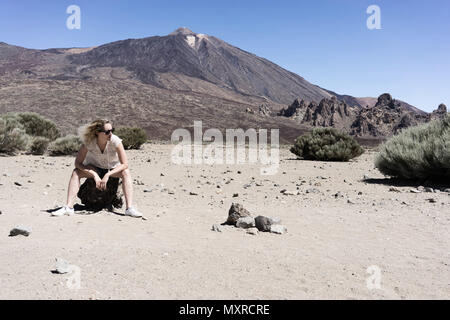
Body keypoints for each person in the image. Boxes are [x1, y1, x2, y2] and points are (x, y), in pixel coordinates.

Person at [52, 119, 142, 217]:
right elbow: (77, 163)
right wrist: (94, 174)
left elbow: (125, 164)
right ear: (97, 132)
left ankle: (129, 208)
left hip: (111, 170)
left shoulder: (115, 141)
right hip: (95, 169)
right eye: (107, 132)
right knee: (76, 172)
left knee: (126, 172)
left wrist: (108, 174)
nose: (110, 134)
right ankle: (69, 207)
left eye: (112, 130)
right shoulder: (89, 142)